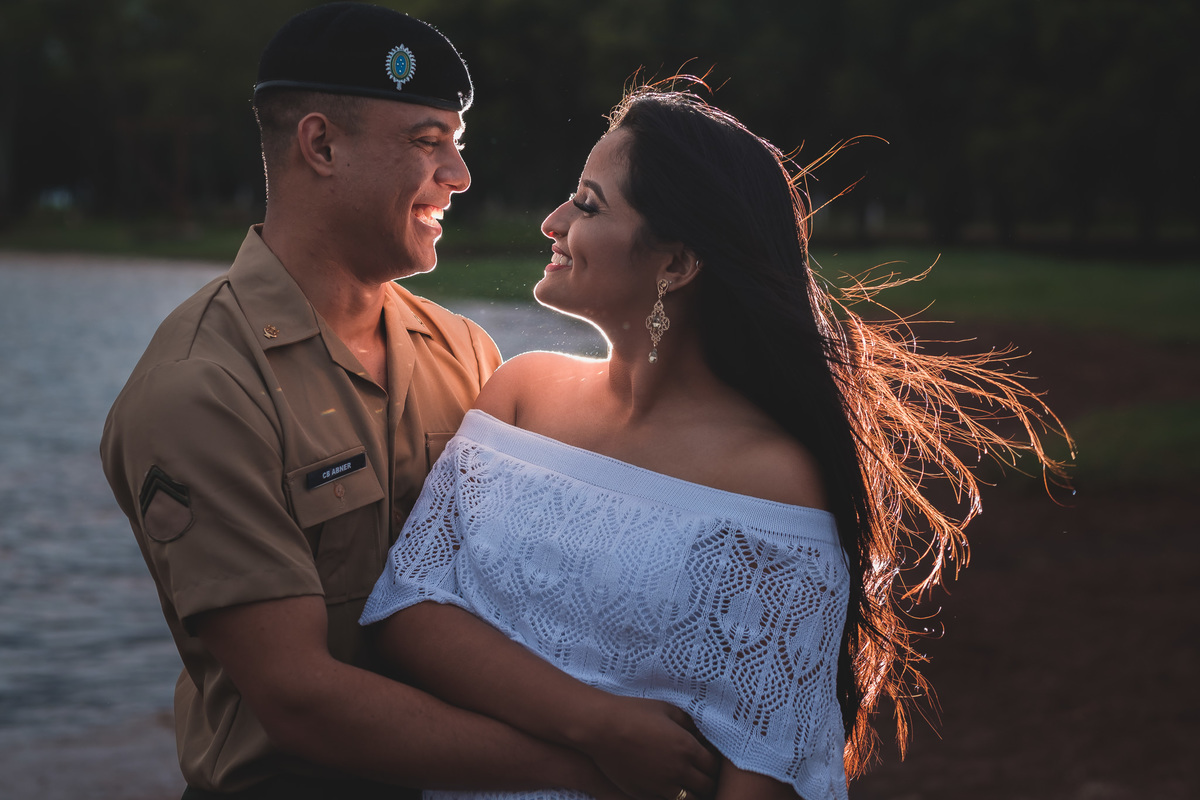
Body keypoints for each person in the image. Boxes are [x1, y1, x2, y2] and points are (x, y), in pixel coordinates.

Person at [360, 84, 1072, 800]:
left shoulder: (771, 480)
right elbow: (407, 610)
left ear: (675, 264)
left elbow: (764, 762)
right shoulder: (520, 395)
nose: (552, 222)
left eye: (587, 205)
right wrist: (601, 727)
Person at [101, 6, 715, 799]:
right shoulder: (203, 386)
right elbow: (298, 698)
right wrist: (592, 764)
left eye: (457, 142)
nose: (459, 175)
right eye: (428, 142)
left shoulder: (464, 350)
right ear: (321, 146)